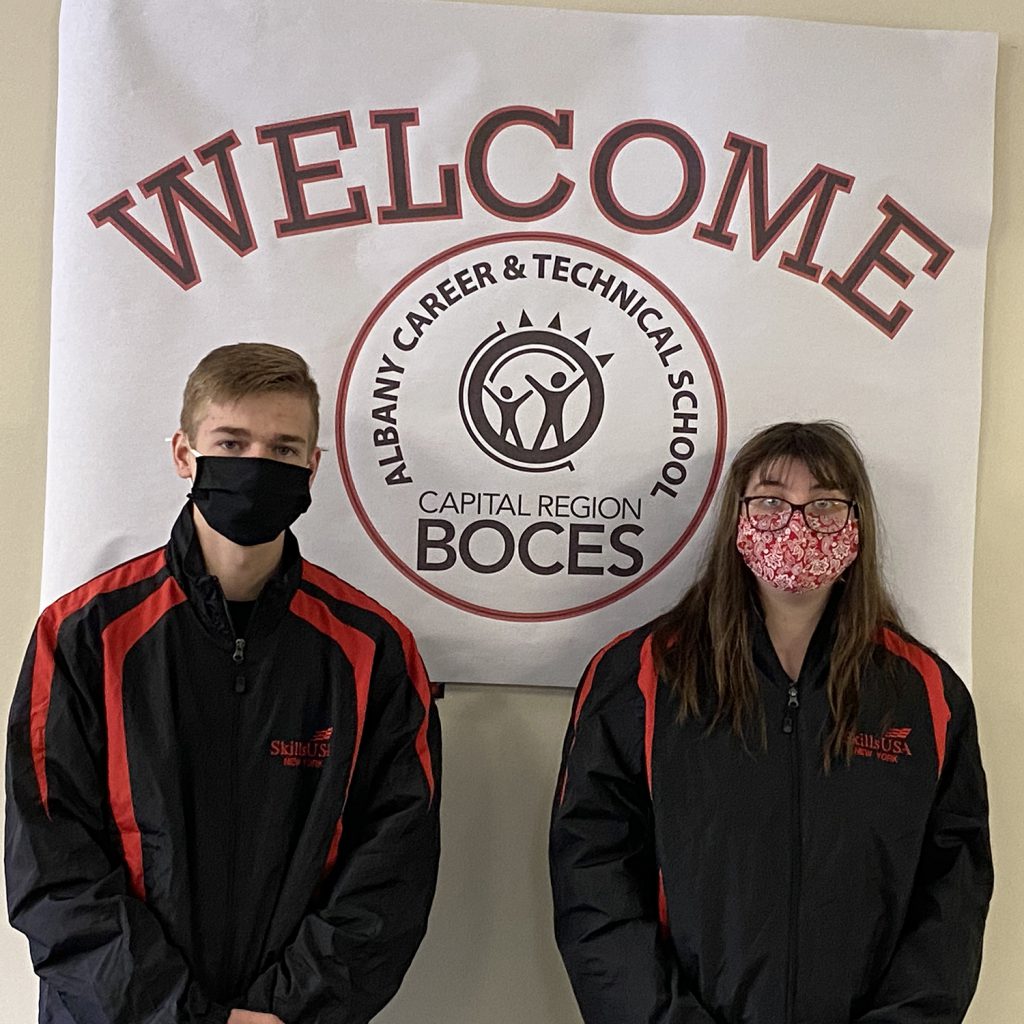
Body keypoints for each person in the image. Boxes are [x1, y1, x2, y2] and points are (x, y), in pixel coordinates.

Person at [5, 343, 441, 1024]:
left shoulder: (374, 651)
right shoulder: (82, 635)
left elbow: (393, 867)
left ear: (312, 468)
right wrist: (184, 1015)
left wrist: (287, 1010)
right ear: (184, 454)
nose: (257, 466)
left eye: (284, 449)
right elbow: (51, 866)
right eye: (232, 442)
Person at [550, 421, 992, 1024]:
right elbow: (593, 877)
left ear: (855, 524)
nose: (797, 522)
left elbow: (953, 895)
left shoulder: (926, 695)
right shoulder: (640, 678)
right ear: (738, 517)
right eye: (771, 501)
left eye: (826, 504)